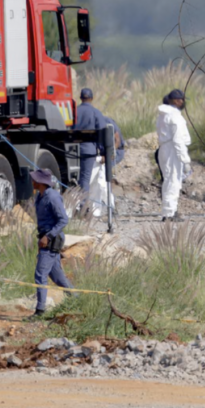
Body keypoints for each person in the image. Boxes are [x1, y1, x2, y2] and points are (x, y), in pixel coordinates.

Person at [30, 168, 73, 317]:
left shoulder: (53, 197)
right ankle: (78, 299)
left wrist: (47, 236)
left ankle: (40, 311)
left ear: (40, 182)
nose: (32, 181)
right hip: (45, 239)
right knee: (58, 277)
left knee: (40, 274)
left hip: (51, 240)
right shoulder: (40, 197)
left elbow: (63, 220)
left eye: (34, 179)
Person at [155, 88, 192, 221]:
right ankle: (169, 214)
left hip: (165, 148)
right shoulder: (174, 116)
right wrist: (185, 159)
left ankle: (170, 211)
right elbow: (178, 139)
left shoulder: (163, 115)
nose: (182, 102)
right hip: (172, 150)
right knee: (173, 181)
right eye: (181, 99)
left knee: (169, 180)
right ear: (176, 101)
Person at [73, 87, 107, 215]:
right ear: (91, 98)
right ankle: (83, 207)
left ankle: (73, 204)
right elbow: (102, 133)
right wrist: (103, 151)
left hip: (71, 150)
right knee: (85, 179)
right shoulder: (95, 112)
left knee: (75, 179)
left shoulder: (74, 111)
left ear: (81, 98)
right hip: (88, 150)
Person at [87, 115, 124, 219]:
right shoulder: (93, 124)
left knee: (102, 180)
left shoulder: (107, 122)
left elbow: (117, 140)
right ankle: (97, 210)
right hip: (102, 154)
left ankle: (110, 207)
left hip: (113, 152)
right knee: (96, 181)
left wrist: (109, 154)